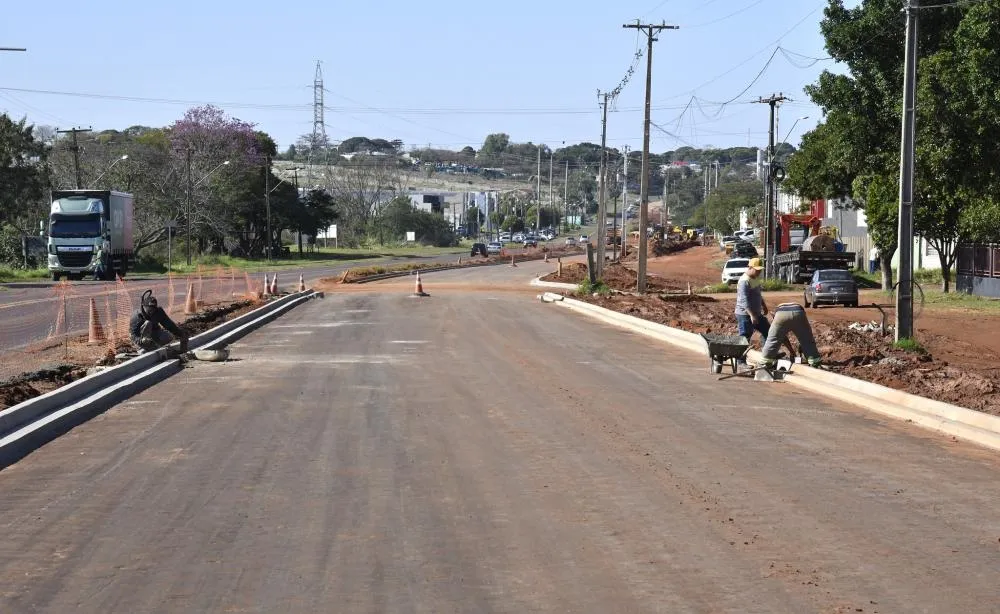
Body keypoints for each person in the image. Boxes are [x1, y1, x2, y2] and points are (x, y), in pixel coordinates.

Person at [760, 302, 822, 368]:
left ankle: (765, 363)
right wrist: (796, 349)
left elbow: (782, 338)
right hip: (798, 311)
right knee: (807, 340)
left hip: (781, 314)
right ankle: (815, 363)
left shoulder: (775, 315)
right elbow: (804, 336)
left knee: (772, 340)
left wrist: (792, 352)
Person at [734, 257, 770, 344]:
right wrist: (751, 315)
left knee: (768, 332)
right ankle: (740, 358)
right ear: (750, 267)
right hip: (745, 314)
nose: (759, 272)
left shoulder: (755, 278)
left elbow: (758, 294)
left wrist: (764, 305)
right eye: (757, 270)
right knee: (745, 338)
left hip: (756, 313)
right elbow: (744, 300)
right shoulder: (744, 281)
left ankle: (767, 355)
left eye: (760, 270)